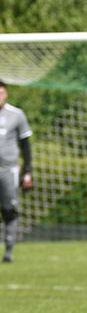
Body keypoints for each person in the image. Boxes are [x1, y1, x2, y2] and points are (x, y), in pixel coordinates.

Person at [0, 80, 32, 264]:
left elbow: (25, 144)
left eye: (1, 93)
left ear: (6, 94)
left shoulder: (16, 114)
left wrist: (27, 171)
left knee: (9, 209)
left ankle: (9, 250)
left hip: (8, 169)